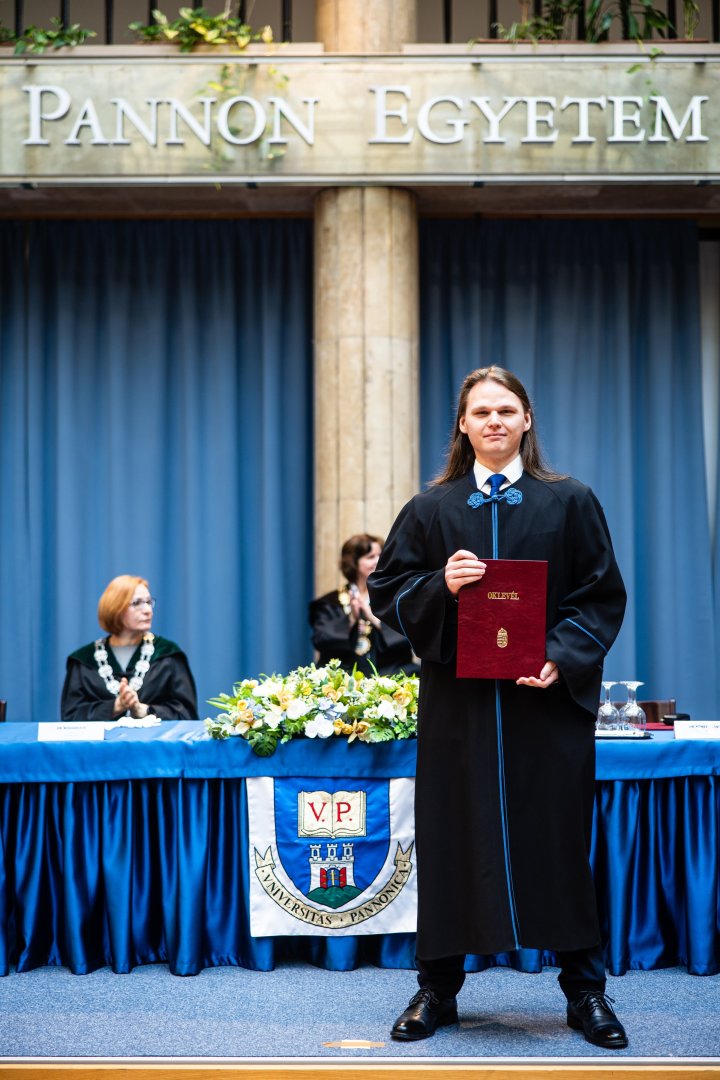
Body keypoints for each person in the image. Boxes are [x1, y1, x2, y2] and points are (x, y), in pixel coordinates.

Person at [368, 366, 628, 1049]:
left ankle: (585, 990)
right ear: (462, 424)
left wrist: (561, 655)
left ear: (526, 419)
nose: (494, 421)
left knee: (559, 843)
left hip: (544, 711)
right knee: (452, 841)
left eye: (506, 410)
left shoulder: (569, 501)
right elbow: (387, 591)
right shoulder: (431, 509)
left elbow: (601, 594)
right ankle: (437, 988)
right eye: (481, 411)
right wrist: (440, 584)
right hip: (460, 711)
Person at [61, 575, 198, 722]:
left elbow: (187, 715)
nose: (148, 610)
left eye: (149, 602)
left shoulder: (168, 655)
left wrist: (145, 710)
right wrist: (115, 707)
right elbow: (71, 717)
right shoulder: (84, 661)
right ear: (115, 608)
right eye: (137, 603)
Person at [309, 533, 417, 676]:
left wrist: (376, 620)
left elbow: (412, 637)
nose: (378, 561)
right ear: (353, 562)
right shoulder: (329, 602)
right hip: (343, 678)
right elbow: (322, 640)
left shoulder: (397, 598)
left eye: (380, 556)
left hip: (392, 674)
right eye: (371, 557)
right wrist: (351, 620)